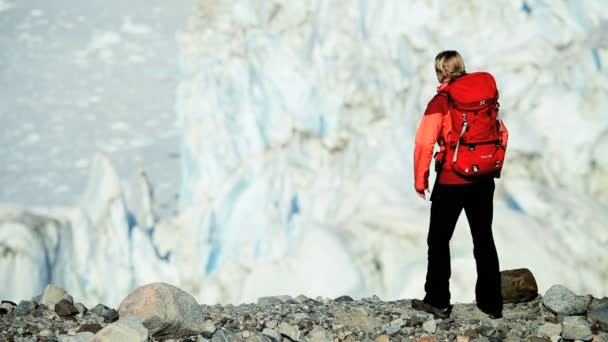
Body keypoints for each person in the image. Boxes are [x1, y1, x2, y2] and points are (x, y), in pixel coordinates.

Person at [411, 50, 503, 319]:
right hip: (482, 177)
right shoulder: (483, 97)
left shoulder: (441, 101)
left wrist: (421, 180)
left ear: (441, 71)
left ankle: (438, 301)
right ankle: (492, 304)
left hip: (452, 179)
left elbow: (424, 143)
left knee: (438, 240)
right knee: (483, 238)